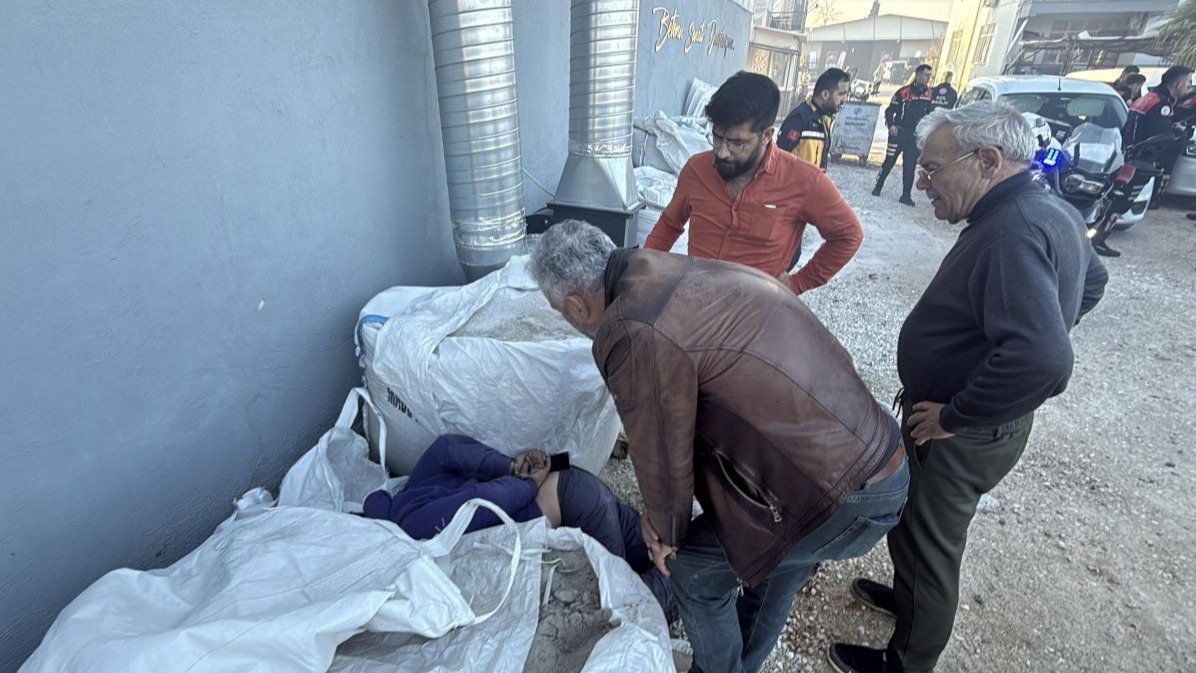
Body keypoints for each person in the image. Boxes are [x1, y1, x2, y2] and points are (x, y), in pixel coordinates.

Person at [529, 220, 910, 673]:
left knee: (691, 572)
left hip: (837, 495)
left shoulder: (628, 327)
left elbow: (660, 451)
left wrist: (667, 532)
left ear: (574, 304)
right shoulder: (661, 268)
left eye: (560, 311)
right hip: (879, 461)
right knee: (777, 566)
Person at [828, 101, 1108, 673]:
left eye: (932, 169)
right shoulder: (1042, 207)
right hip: (968, 421)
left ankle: (907, 661)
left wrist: (957, 414)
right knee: (913, 523)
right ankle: (911, 604)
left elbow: (1045, 360)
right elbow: (1093, 280)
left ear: (986, 160)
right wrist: (1043, 319)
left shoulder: (1016, 227)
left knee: (931, 548)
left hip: (963, 432)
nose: (922, 182)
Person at [361, 434, 677, 621]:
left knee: (622, 605)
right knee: (663, 554)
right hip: (581, 490)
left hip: (575, 506)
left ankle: (685, 592)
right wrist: (507, 465)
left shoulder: (414, 527)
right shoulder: (412, 490)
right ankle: (701, 573)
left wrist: (523, 482)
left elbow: (481, 502)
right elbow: (446, 449)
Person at [643, 71, 863, 295]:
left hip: (757, 314)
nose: (722, 152)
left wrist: (797, 283)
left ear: (766, 135)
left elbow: (849, 234)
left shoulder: (805, 181)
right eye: (718, 137)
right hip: (696, 301)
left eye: (737, 143)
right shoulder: (696, 170)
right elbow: (669, 225)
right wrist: (645, 273)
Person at [1123, 65, 1195, 205]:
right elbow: (1161, 136)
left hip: (1130, 153)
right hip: (1141, 159)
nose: (1190, 86)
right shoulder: (1162, 103)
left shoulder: (1149, 97)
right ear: (1178, 84)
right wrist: (1178, 131)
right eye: (1188, 82)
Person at [872, 64, 936, 205]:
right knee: (889, 162)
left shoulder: (930, 94)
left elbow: (931, 115)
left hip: (915, 136)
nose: (928, 78)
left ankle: (906, 196)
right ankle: (878, 187)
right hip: (899, 133)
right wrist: (891, 125)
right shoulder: (903, 92)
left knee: (909, 166)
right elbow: (889, 111)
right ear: (918, 75)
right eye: (926, 75)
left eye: (930, 76)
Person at [777, 67, 851, 170]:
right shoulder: (799, 119)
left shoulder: (825, 120)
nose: (844, 99)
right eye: (841, 94)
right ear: (825, 94)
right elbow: (778, 160)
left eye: (846, 94)